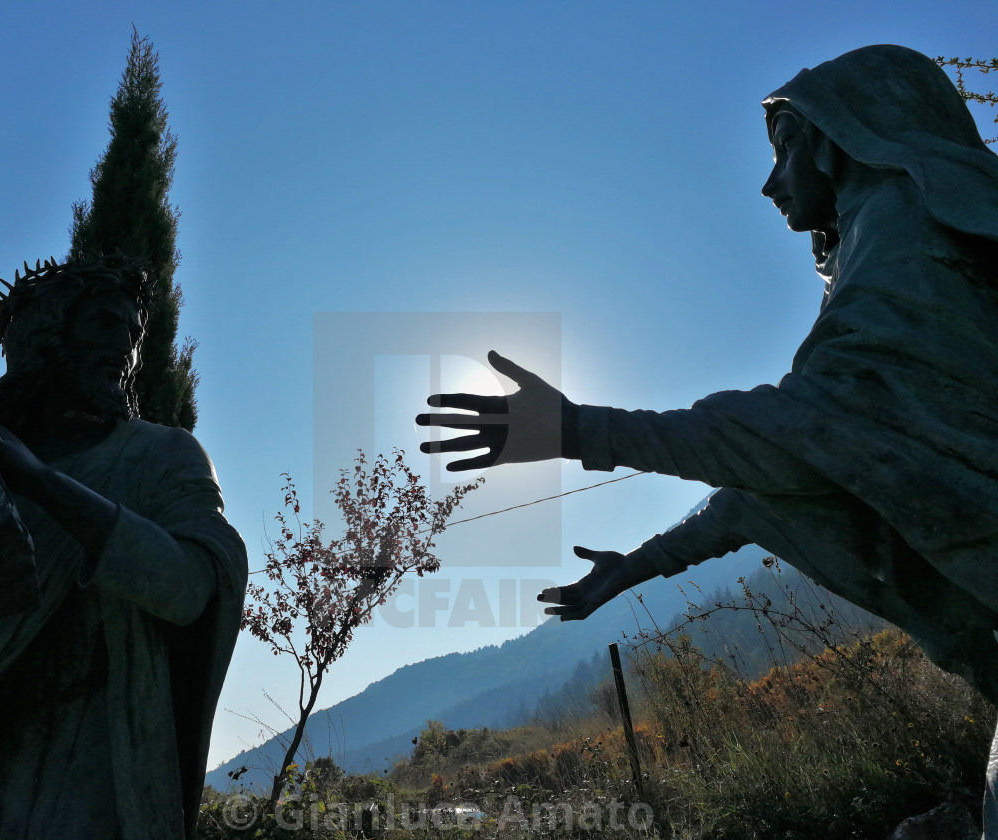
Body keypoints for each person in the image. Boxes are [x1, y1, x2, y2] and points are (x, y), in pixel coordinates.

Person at [418, 44, 998, 827]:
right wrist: (632, 569)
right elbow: (783, 478)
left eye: (787, 147)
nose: (769, 181)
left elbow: (789, 437)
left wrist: (578, 429)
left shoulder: (905, 242)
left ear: (842, 140)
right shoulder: (887, 248)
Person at [0, 255, 247, 839]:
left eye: (133, 333)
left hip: (88, 777)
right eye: (104, 323)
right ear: (42, 336)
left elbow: (195, 586)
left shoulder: (160, 455)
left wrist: (40, 481)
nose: (124, 349)